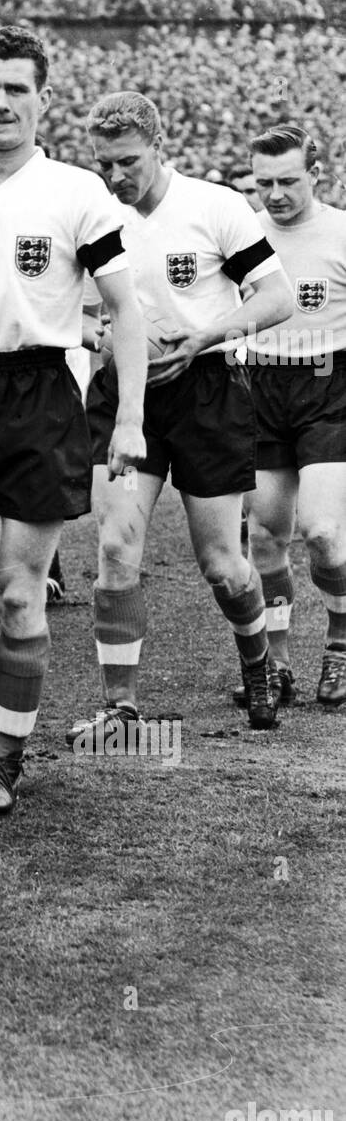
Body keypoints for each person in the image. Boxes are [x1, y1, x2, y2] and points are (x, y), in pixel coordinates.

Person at [0, 26, 147, 818]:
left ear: (43, 99)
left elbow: (126, 310)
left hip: (44, 396)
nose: (2, 101)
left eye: (18, 87)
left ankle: (6, 760)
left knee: (19, 595)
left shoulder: (78, 192)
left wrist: (130, 419)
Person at [68, 91, 294, 743]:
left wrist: (207, 336)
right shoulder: (91, 214)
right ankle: (122, 710)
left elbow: (276, 296)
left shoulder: (213, 206)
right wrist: (99, 340)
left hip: (206, 390)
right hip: (122, 393)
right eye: (103, 163)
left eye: (127, 162)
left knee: (222, 561)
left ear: (158, 146)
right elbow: (73, 310)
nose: (115, 178)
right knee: (114, 546)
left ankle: (258, 662)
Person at [236, 125, 346, 706]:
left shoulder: (341, 232)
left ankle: (340, 644)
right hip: (263, 386)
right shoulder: (244, 234)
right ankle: (276, 663)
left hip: (331, 388)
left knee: (324, 535)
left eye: (287, 181)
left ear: (316, 175)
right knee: (268, 536)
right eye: (263, 183)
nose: (274, 194)